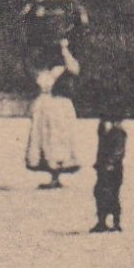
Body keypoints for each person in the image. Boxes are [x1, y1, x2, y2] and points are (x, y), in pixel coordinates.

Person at [25, 38, 84, 188]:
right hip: (48, 107)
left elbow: (75, 69)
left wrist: (64, 50)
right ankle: (53, 174)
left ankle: (55, 174)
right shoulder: (45, 72)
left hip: (58, 107)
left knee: (57, 138)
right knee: (47, 139)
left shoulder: (64, 68)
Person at [91, 111, 127, 232]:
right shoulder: (104, 133)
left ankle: (115, 223)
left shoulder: (118, 133)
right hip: (103, 169)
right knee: (100, 193)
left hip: (113, 170)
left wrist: (111, 163)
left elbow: (118, 151)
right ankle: (101, 221)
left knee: (112, 195)